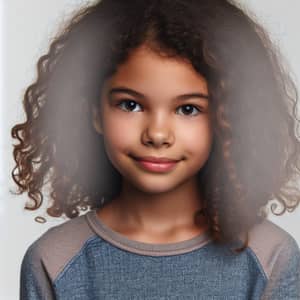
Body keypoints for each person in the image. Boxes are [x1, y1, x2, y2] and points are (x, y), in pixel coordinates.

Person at [11, 0, 300, 299]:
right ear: (95, 113)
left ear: (227, 119)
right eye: (130, 104)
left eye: (188, 109)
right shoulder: (54, 261)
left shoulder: (270, 257)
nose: (157, 134)